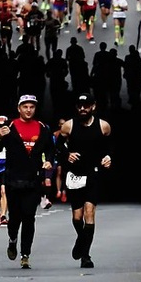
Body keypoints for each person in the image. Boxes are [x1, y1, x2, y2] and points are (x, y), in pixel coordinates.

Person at [55, 93, 113, 266]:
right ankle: (81, 239)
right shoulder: (68, 126)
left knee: (89, 212)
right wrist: (67, 155)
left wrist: (108, 157)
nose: (82, 109)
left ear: (93, 106)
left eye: (86, 106)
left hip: (93, 172)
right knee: (77, 217)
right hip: (75, 174)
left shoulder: (103, 126)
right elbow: (57, 145)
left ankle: (85, 256)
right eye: (80, 106)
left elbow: (110, 145)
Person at [0, 94, 50, 267]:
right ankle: (12, 239)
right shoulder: (10, 126)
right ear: (19, 108)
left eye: (32, 107)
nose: (28, 110)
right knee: (14, 218)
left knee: (29, 217)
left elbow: (51, 148)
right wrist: (0, 136)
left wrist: (49, 159)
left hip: (33, 181)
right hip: (14, 180)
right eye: (25, 107)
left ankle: (25, 254)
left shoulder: (42, 127)